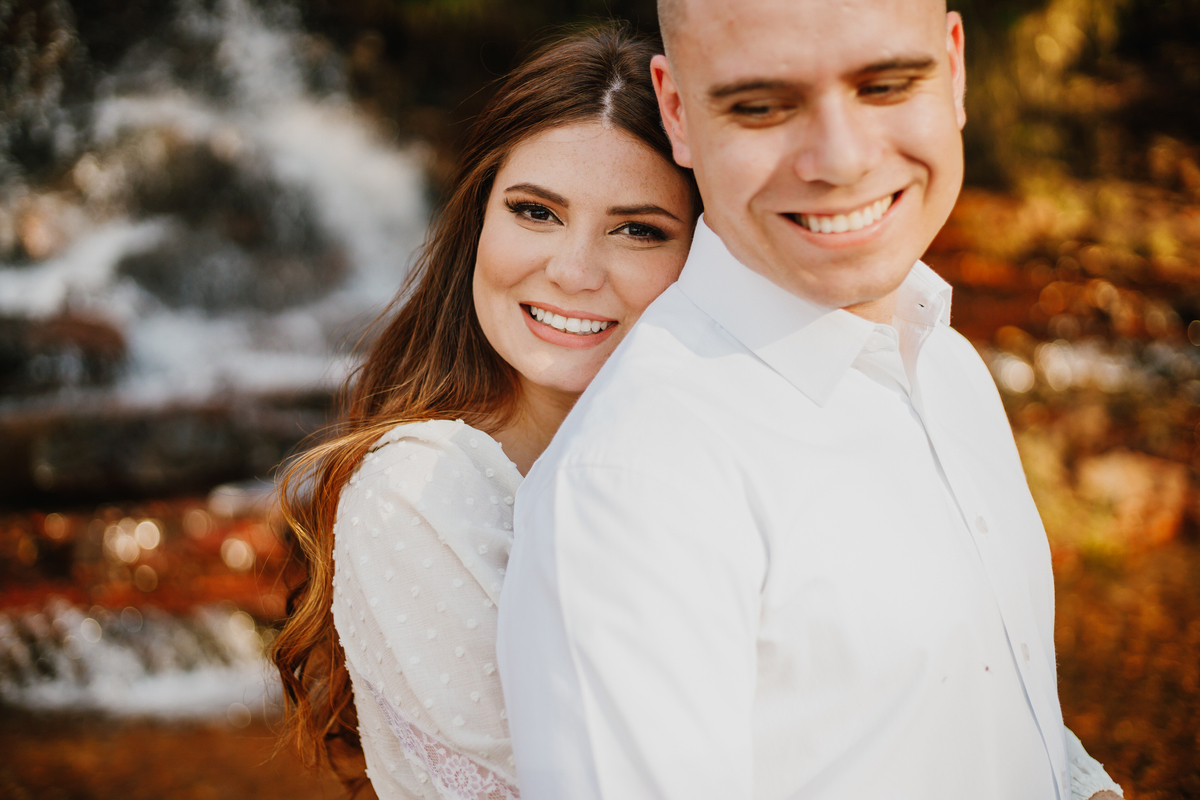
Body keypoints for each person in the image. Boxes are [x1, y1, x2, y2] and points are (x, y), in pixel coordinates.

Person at [496, 2, 1124, 799]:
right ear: (678, 112)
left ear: (955, 68)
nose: (841, 160)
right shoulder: (632, 486)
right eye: (761, 106)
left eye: (887, 84)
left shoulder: (946, 361)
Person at [269, 23, 699, 800]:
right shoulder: (422, 494)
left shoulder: (705, 458)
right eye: (536, 212)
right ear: (477, 223)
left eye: (637, 230)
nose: (571, 271)